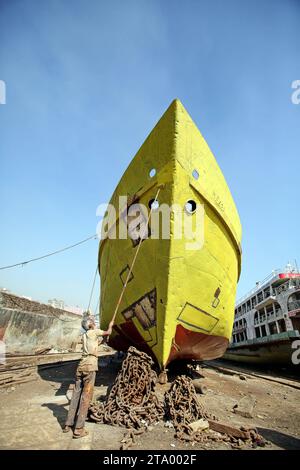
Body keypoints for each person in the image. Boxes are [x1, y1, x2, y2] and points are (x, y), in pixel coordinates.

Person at [63, 315, 113, 438]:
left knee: (75, 396)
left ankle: (68, 425)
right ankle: (79, 429)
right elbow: (108, 332)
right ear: (90, 324)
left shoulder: (85, 336)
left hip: (80, 367)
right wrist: (110, 326)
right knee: (86, 397)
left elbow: (99, 342)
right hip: (90, 367)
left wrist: (105, 339)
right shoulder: (94, 331)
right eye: (92, 321)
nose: (94, 322)